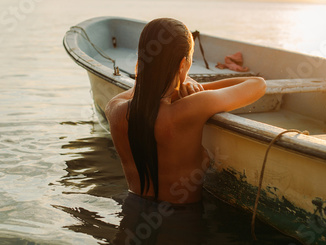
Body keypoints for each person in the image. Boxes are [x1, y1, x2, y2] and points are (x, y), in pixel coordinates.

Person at [105, 18, 266, 205]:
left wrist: (168, 79)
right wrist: (193, 85)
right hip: (181, 221)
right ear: (183, 64)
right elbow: (258, 84)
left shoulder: (115, 109)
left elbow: (141, 89)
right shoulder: (194, 106)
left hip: (132, 209)